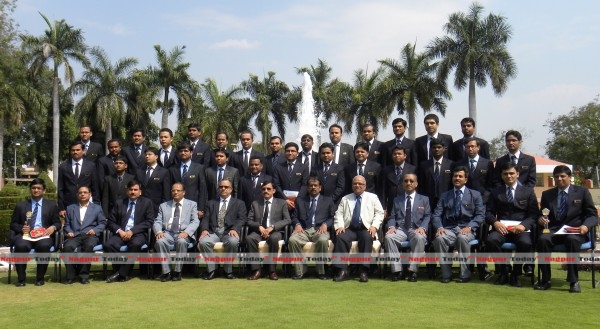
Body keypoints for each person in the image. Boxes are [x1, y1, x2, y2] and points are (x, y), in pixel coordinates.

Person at [535, 165, 598, 293]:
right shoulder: (547, 194)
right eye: (557, 177)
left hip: (575, 230)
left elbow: (592, 215)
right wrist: (540, 219)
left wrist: (586, 226)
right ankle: (546, 280)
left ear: (570, 177)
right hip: (554, 230)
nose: (559, 179)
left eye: (563, 176)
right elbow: (542, 214)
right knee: (543, 240)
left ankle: (573, 281)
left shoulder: (582, 191)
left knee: (572, 240)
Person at [485, 162, 538, 287]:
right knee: (491, 240)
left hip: (520, 229)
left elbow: (534, 214)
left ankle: (516, 273)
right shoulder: (495, 192)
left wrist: (523, 226)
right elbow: (488, 212)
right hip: (501, 228)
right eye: (506, 174)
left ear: (517, 174)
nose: (509, 176)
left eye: (511, 173)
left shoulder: (528, 192)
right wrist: (495, 222)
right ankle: (503, 271)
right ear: (502, 176)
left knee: (526, 243)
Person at [432, 166, 484, 283]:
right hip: (449, 229)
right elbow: (436, 215)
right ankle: (446, 274)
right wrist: (440, 227)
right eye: (455, 176)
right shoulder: (445, 196)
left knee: (461, 237)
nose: (457, 178)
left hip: (467, 229)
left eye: (460, 176)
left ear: (466, 179)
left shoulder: (475, 195)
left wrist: (470, 227)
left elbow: (480, 215)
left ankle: (465, 274)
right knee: (439, 238)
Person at [332, 175, 384, 283]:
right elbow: (338, 214)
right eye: (355, 183)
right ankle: (342, 270)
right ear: (352, 186)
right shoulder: (345, 198)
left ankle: (363, 270)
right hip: (349, 228)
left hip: (365, 228)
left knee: (367, 237)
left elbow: (380, 213)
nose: (357, 185)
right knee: (340, 237)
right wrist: (340, 226)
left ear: (365, 186)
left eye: (360, 183)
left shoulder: (373, 197)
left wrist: (374, 226)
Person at [10, 178, 60, 286]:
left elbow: (58, 223)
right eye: (33, 188)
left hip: (43, 236)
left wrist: (53, 227)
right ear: (30, 190)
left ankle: (40, 278)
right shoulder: (20, 206)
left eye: (39, 188)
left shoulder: (51, 205)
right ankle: (21, 279)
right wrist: (21, 228)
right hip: (26, 235)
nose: (36, 190)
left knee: (43, 246)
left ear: (44, 191)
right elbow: (13, 224)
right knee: (20, 246)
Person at [105, 180, 155, 283]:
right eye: (130, 189)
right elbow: (111, 221)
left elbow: (149, 221)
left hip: (138, 234)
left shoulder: (147, 202)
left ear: (140, 192)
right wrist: (120, 231)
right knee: (109, 244)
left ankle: (120, 273)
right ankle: (123, 271)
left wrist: (132, 231)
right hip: (121, 233)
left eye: (135, 190)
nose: (133, 192)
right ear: (127, 191)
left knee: (135, 244)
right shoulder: (119, 203)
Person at [384, 173, 430, 282]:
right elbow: (392, 216)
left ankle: (413, 271)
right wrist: (391, 226)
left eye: (411, 181)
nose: (408, 183)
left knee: (419, 237)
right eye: (406, 181)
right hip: (401, 229)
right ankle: (397, 270)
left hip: (416, 228)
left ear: (416, 184)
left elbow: (428, 215)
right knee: (389, 237)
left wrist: (423, 228)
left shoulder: (424, 199)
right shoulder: (397, 200)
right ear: (402, 184)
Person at [198, 178, 246, 280]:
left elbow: (241, 219)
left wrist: (235, 229)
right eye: (221, 187)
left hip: (229, 232)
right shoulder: (211, 203)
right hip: (213, 232)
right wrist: (205, 229)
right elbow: (206, 217)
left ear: (231, 189)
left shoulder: (239, 203)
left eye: (226, 187)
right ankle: (212, 269)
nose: (223, 189)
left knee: (233, 242)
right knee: (203, 242)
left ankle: (228, 270)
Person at [288, 177, 335, 280]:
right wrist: (297, 224)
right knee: (292, 240)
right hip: (304, 230)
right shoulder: (300, 201)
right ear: (307, 188)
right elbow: (294, 217)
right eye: (310, 186)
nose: (313, 188)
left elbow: (332, 217)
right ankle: (301, 270)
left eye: (315, 185)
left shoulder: (328, 200)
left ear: (320, 188)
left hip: (320, 229)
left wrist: (326, 224)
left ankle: (320, 271)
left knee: (322, 240)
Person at [153, 182, 199, 282]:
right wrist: (158, 232)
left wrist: (187, 232)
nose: (175, 192)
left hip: (183, 233)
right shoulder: (164, 205)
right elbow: (157, 221)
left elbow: (195, 221)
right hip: (168, 233)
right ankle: (167, 272)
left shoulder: (192, 204)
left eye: (178, 190)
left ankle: (178, 271)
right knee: (160, 241)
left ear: (184, 192)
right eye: (173, 190)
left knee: (181, 241)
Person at [245, 181, 291, 280]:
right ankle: (257, 270)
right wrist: (259, 226)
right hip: (258, 232)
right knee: (249, 238)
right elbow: (249, 220)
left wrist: (272, 227)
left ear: (274, 191)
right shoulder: (255, 203)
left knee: (274, 239)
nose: (266, 191)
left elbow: (287, 219)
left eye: (268, 189)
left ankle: (272, 270)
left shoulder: (281, 203)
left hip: (275, 231)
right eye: (263, 189)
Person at [62, 186, 106, 284]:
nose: (82, 194)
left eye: (85, 192)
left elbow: (102, 223)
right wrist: (69, 231)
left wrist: (95, 230)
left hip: (90, 235)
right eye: (80, 192)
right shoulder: (70, 208)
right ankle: (71, 276)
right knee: (67, 247)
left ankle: (84, 275)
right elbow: (66, 224)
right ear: (77, 195)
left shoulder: (97, 208)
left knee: (88, 246)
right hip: (74, 235)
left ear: (90, 195)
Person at [58, 141, 98, 217]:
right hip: (69, 204)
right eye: (73, 150)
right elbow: (60, 188)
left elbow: (95, 187)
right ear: (70, 152)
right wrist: (61, 208)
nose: (75, 152)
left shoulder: (91, 166)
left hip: (87, 203)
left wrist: (96, 204)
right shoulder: (63, 167)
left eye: (77, 150)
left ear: (83, 151)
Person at [169, 143, 208, 218]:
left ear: (191, 153)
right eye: (181, 151)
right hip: (176, 205)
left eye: (185, 151)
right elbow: (169, 189)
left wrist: (201, 208)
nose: (183, 153)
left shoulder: (199, 168)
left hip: (194, 205)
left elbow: (202, 189)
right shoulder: (172, 169)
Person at [417, 138, 454, 210]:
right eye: (434, 147)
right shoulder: (424, 165)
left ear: (444, 149)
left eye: (439, 147)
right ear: (430, 149)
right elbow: (420, 185)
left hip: (446, 200)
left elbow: (453, 184)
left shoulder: (451, 164)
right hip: (428, 201)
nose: (436, 149)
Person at [455, 137, 494, 204]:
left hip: (483, 200)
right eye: (468, 147)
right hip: (464, 201)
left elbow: (491, 183)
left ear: (478, 147)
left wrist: (485, 197)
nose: (470, 149)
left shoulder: (487, 163)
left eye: (472, 146)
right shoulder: (459, 164)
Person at [272, 142, 309, 210]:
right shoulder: (278, 167)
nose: (290, 153)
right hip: (282, 202)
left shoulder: (304, 167)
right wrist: (285, 199)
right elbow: (276, 185)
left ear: (297, 153)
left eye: (293, 151)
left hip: (299, 202)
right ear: (284, 153)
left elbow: (305, 185)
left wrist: (298, 199)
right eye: (288, 151)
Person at [381, 145, 416, 214]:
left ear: (405, 156)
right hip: (391, 204)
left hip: (407, 202)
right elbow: (383, 190)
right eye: (394, 154)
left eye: (399, 154)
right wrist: (383, 207)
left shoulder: (413, 169)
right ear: (392, 156)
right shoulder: (386, 170)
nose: (397, 155)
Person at [136, 147, 171, 214]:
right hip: (141, 206)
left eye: (149, 154)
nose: (147, 156)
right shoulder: (139, 171)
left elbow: (166, 192)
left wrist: (165, 208)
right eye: (146, 155)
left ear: (156, 156)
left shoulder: (164, 172)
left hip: (157, 207)